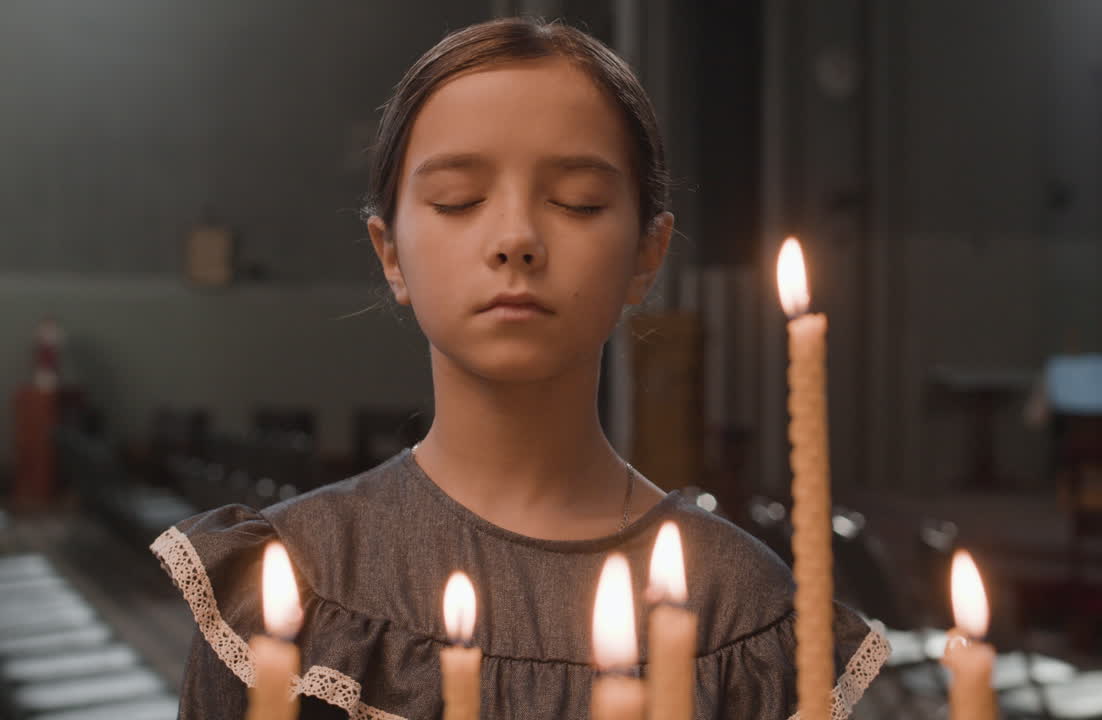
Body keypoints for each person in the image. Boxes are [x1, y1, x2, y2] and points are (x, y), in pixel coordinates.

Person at [152, 17, 887, 720]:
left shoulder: (743, 611)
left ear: (647, 256)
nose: (515, 238)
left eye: (578, 201)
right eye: (458, 199)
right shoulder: (290, 583)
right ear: (390, 253)